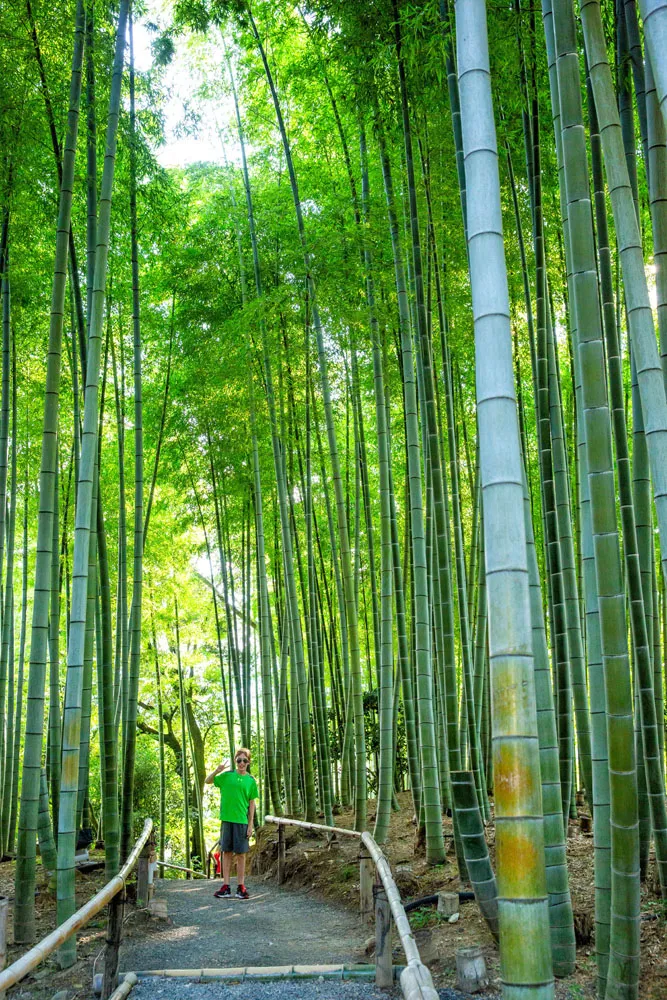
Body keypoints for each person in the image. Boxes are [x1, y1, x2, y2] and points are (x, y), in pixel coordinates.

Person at [205, 748, 258, 899]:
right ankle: (226, 886)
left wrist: (250, 824)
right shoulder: (226, 776)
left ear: (248, 762)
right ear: (235, 761)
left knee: (241, 855)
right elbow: (207, 781)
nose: (241, 763)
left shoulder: (250, 781)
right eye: (239, 760)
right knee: (226, 852)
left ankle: (241, 887)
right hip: (227, 820)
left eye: (244, 761)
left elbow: (252, 803)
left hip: (242, 821)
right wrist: (217, 770)